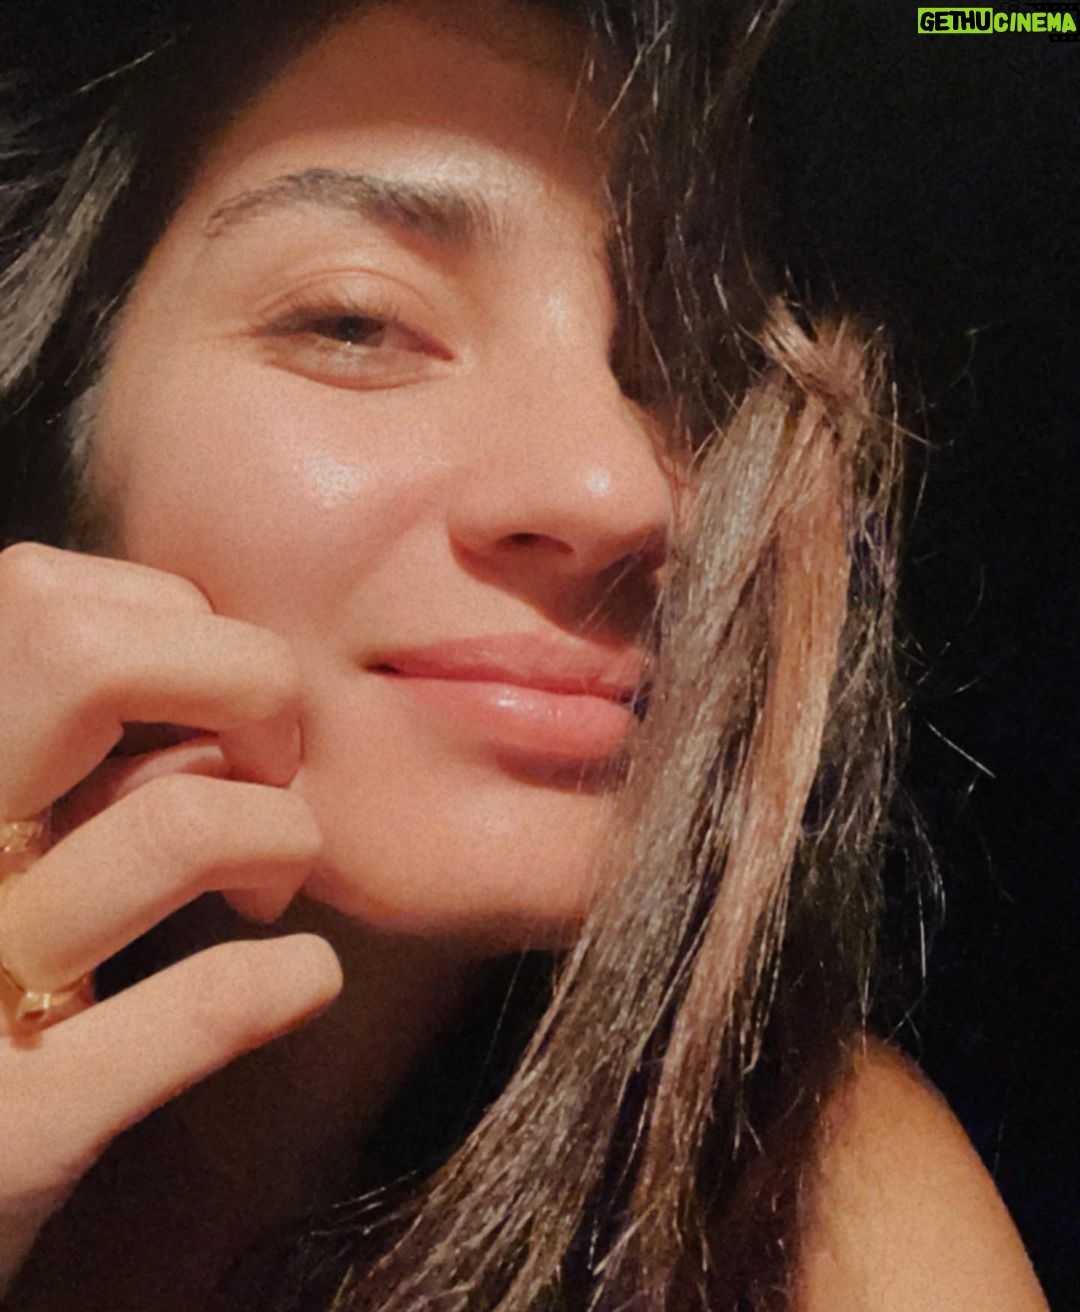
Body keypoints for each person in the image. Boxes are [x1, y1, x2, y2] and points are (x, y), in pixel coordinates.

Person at [0, 1, 1051, 1308]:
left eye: (698, 363)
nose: (620, 489)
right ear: (54, 437)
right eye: (357, 322)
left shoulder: (823, 1227)